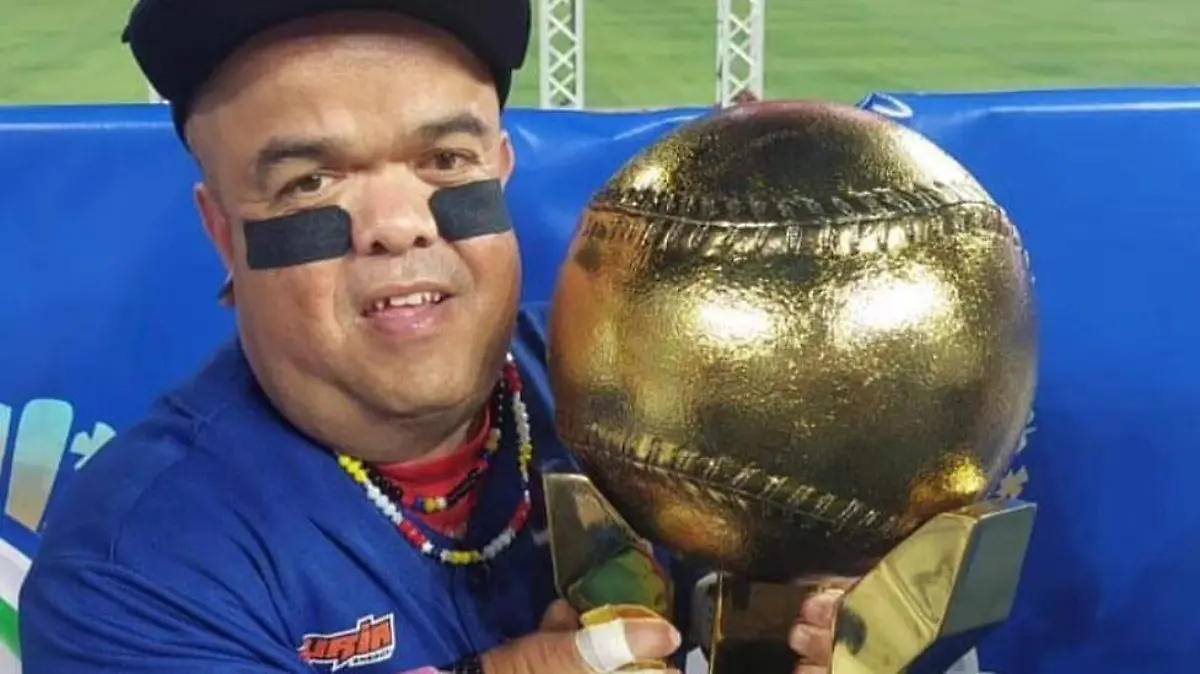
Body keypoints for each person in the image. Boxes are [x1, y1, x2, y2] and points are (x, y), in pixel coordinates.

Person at [17, 1, 852, 673]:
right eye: (311, 182)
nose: (398, 224)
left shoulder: (654, 384)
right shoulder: (134, 570)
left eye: (445, 161)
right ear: (224, 234)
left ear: (502, 172)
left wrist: (838, 622)